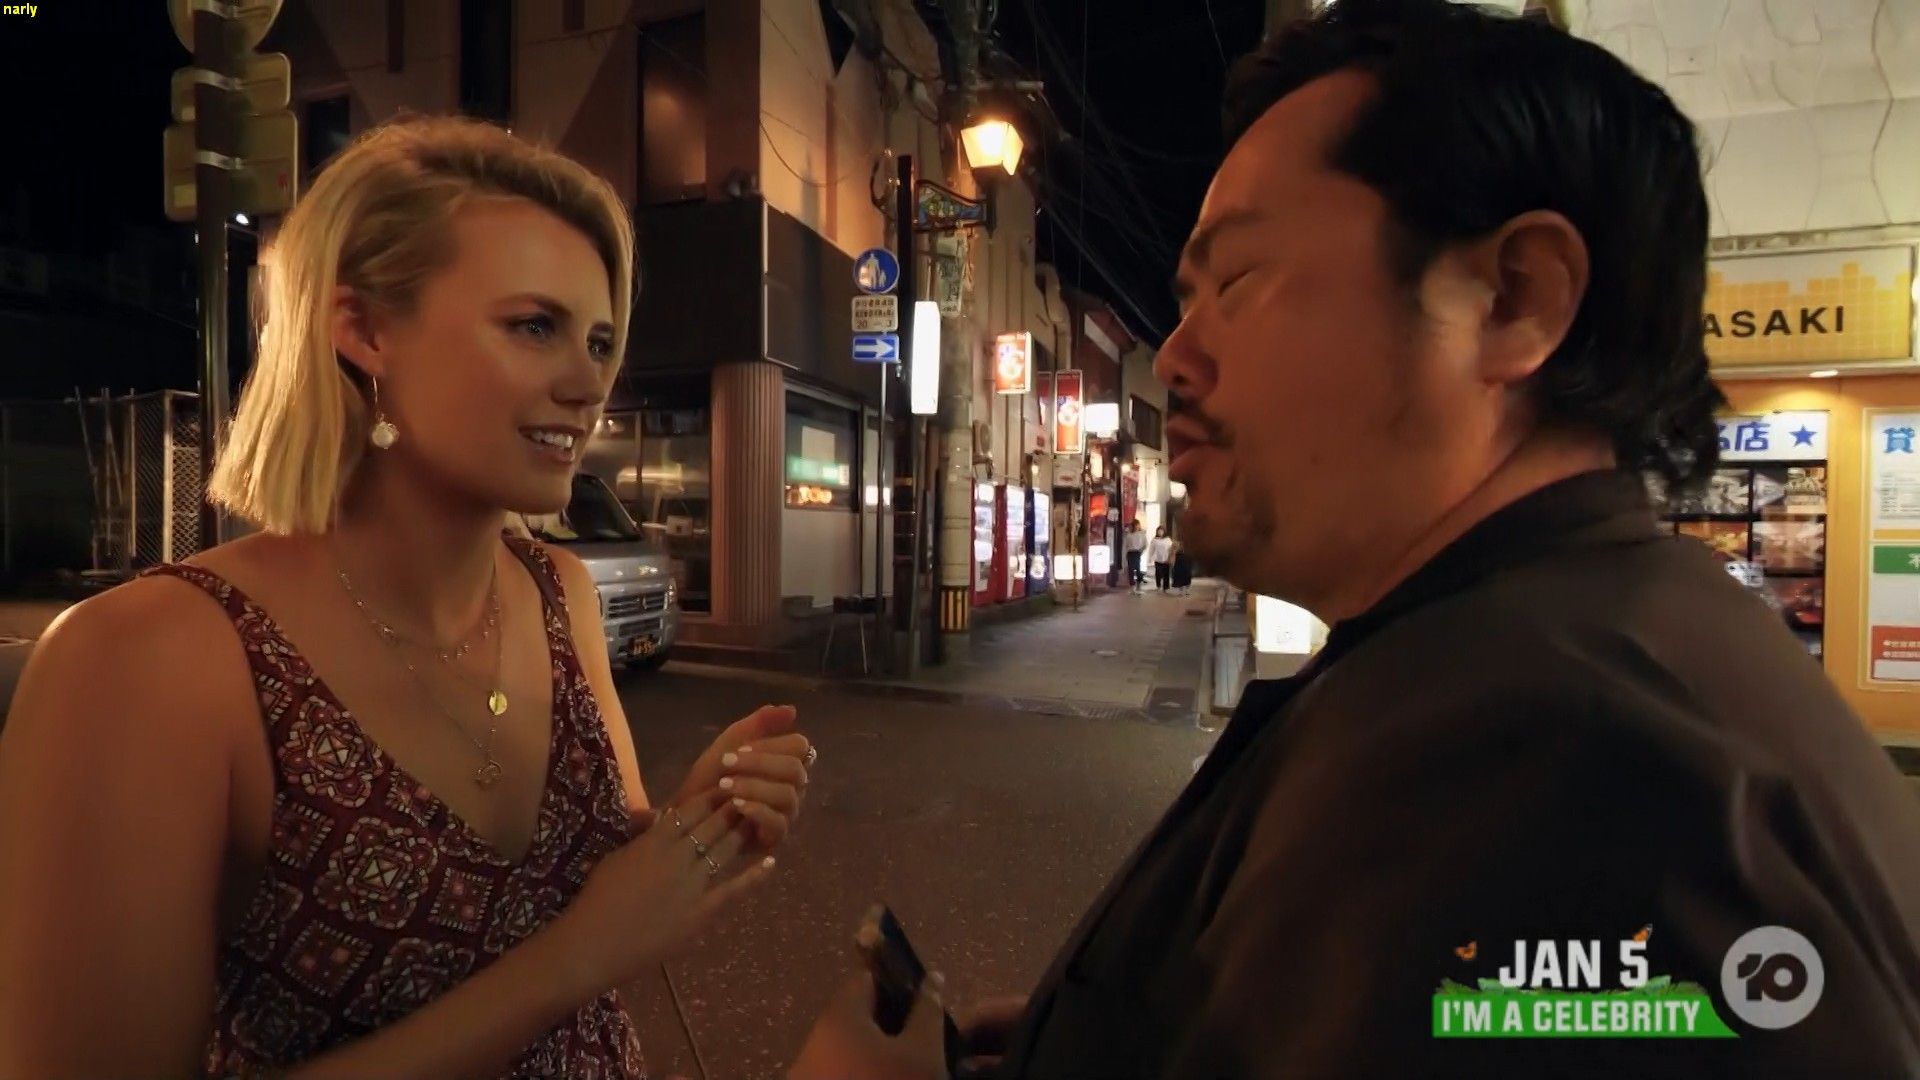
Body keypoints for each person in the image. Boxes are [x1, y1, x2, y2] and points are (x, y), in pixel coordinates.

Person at [787, 1, 1920, 1076]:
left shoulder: (1563, 774)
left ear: (1514, 299)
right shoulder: (1531, 655)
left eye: (1239, 277)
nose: (1175, 358)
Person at [0, 117, 816, 1078]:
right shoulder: (149, 659)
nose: (588, 382)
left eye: (599, 340)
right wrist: (576, 959)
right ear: (364, 330)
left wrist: (695, 825)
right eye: (534, 326)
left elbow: (594, 881)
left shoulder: (559, 592)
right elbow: (585, 940)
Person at [1123, 519, 1148, 594]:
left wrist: (1141, 551)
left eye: (1138, 525)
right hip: (1130, 552)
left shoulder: (1142, 534)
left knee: (1138, 568)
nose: (1137, 526)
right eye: (1136, 525)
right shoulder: (1129, 534)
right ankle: (1132, 586)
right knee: (1130, 569)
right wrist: (1125, 553)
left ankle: (1138, 584)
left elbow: (1145, 544)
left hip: (1137, 552)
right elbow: (1126, 545)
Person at [1148, 527, 1174, 592]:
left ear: (1164, 532)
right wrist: (1150, 558)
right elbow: (1151, 549)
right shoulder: (1154, 540)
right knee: (1158, 573)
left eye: (1161, 531)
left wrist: (1171, 557)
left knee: (1166, 574)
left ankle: (1165, 587)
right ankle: (1158, 585)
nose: (1160, 532)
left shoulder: (1168, 539)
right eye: (1159, 531)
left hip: (1166, 559)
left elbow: (1171, 549)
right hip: (1157, 559)